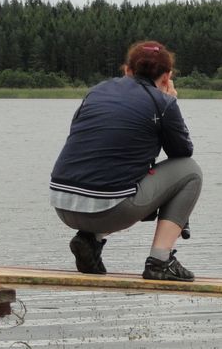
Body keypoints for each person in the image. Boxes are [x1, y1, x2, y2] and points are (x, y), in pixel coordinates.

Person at [49, 40, 202, 282]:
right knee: (191, 172)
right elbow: (182, 152)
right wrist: (170, 101)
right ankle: (160, 261)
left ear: (127, 70)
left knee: (114, 174)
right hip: (108, 210)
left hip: (62, 204)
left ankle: (90, 240)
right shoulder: (163, 102)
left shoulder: (97, 91)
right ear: (167, 77)